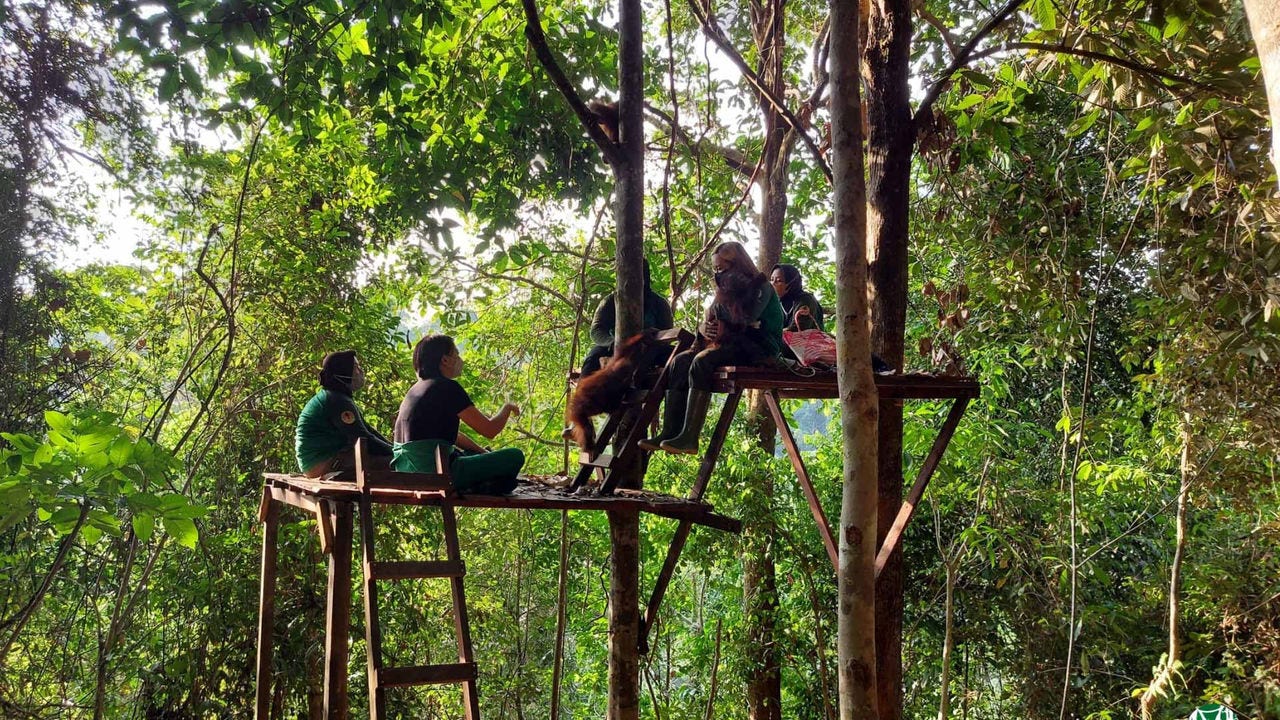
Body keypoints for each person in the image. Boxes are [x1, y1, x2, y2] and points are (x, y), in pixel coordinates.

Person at [640, 242, 784, 455]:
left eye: (721, 268)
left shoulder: (761, 287)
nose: (718, 274)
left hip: (758, 348)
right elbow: (712, 317)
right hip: (731, 344)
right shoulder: (725, 291)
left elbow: (746, 317)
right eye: (715, 269)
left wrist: (717, 312)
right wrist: (703, 328)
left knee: (702, 361)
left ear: (736, 265)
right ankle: (670, 431)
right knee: (680, 361)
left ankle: (690, 436)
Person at [392, 335, 525, 493]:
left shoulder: (415, 390)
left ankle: (487, 483)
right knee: (515, 456)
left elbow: (455, 437)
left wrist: (482, 452)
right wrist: (507, 408)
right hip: (436, 474)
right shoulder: (448, 387)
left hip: (406, 472)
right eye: (456, 354)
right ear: (445, 360)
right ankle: (484, 483)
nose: (461, 360)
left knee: (471, 453)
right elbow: (489, 430)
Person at [295, 350, 393, 478]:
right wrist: (397, 454)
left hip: (319, 461)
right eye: (356, 367)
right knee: (393, 463)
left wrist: (394, 448)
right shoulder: (337, 400)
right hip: (321, 462)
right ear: (344, 372)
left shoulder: (338, 397)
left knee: (392, 459)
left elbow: (368, 430)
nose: (361, 371)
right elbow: (362, 437)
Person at [581, 259, 675, 376]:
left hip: (650, 350)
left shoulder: (659, 303)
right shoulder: (610, 302)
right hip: (613, 349)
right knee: (592, 359)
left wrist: (650, 337)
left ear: (645, 277)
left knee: (679, 359)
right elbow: (596, 330)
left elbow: (667, 335)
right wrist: (614, 343)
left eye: (636, 276)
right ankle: (582, 388)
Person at [770, 263, 825, 331]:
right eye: (772, 279)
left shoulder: (806, 300)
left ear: (791, 283)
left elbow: (798, 328)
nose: (772, 284)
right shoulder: (778, 302)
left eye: (779, 281)